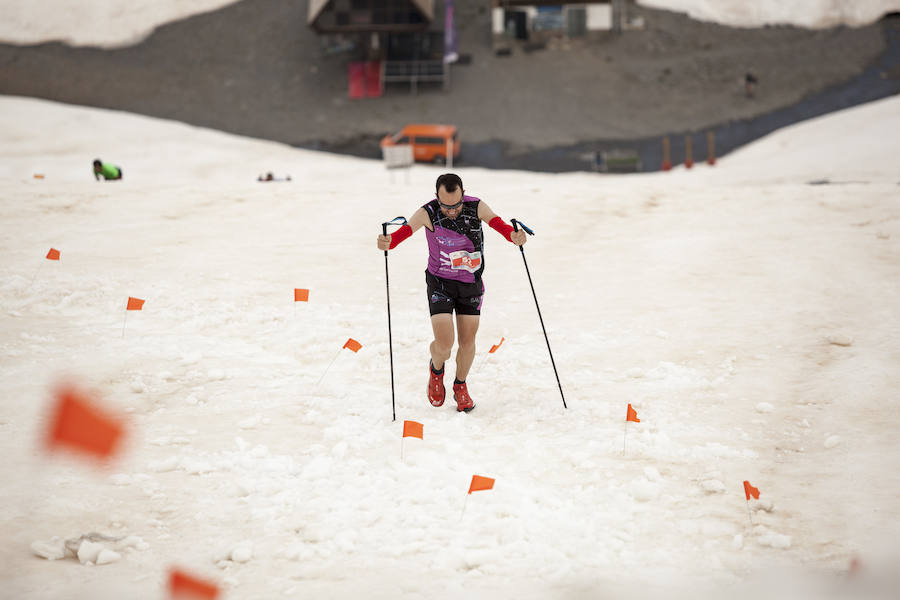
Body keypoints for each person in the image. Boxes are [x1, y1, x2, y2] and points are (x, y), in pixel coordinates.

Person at [376, 173, 527, 412]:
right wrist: (386, 241)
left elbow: (500, 225)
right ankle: (436, 370)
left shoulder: (476, 206)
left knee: (468, 343)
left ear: (463, 194)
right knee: (445, 345)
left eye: (456, 205)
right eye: (446, 206)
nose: (452, 211)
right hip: (441, 283)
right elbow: (399, 236)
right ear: (437, 197)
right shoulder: (427, 212)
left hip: (470, 284)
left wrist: (514, 236)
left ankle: (460, 386)